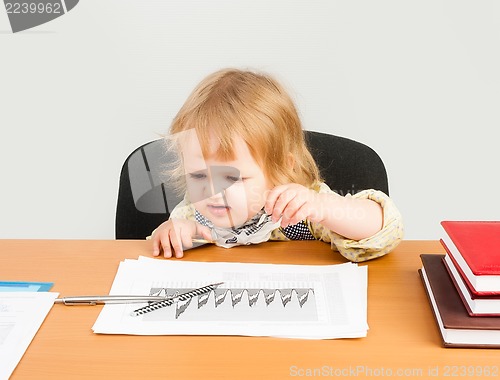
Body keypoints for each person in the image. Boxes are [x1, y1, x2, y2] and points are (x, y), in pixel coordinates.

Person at [150, 68, 403, 262]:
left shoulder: (300, 207)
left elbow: (384, 230)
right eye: (198, 176)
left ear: (280, 169)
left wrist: (324, 208)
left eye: (232, 178)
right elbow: (165, 244)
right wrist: (171, 233)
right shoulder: (195, 214)